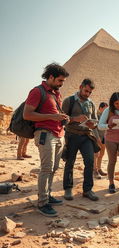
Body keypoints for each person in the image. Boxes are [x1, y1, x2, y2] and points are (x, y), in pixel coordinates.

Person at [23, 63, 69, 217]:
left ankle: (48, 195)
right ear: (50, 77)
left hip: (58, 134)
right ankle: (42, 203)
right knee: (46, 168)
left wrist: (63, 118)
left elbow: (55, 113)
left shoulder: (57, 94)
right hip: (45, 134)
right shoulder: (37, 91)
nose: (61, 84)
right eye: (60, 80)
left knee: (54, 168)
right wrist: (51, 116)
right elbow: (27, 115)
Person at [62, 79, 100, 201]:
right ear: (80, 87)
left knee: (89, 161)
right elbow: (62, 119)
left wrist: (92, 125)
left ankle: (87, 190)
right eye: (86, 91)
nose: (87, 94)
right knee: (70, 162)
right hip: (72, 135)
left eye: (90, 92)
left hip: (86, 136)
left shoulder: (91, 104)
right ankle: (68, 189)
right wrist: (75, 119)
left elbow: (94, 122)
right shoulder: (69, 101)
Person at [98, 92, 119, 194]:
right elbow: (100, 125)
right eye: (116, 103)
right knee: (112, 161)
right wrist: (108, 126)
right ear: (112, 103)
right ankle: (111, 183)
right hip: (110, 139)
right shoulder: (108, 111)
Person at [93, 102, 108, 179]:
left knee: (101, 154)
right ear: (100, 108)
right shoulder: (96, 116)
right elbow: (94, 127)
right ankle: (94, 170)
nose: (106, 111)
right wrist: (97, 138)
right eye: (104, 109)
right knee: (96, 154)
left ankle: (99, 169)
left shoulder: (106, 117)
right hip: (96, 138)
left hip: (104, 138)